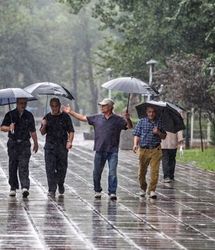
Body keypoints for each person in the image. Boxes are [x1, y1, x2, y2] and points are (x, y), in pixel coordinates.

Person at [63, 98, 133, 200]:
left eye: (104, 105)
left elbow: (129, 126)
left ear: (110, 107)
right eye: (101, 105)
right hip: (99, 150)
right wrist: (71, 112)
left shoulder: (118, 120)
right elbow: (82, 117)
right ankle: (97, 190)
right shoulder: (97, 118)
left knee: (112, 172)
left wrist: (128, 118)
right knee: (96, 172)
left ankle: (112, 192)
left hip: (112, 151)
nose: (101, 107)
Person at [1, 98, 38, 198]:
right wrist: (9, 128)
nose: (23, 105)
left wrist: (36, 142)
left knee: (24, 164)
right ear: (17, 103)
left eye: (25, 103)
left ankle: (25, 187)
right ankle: (13, 187)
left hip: (25, 143)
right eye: (21, 103)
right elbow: (2, 127)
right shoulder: (10, 114)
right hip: (13, 143)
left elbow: (33, 130)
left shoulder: (29, 115)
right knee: (13, 165)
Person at [40, 97, 74, 197]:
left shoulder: (65, 117)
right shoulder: (47, 117)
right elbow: (42, 133)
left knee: (62, 168)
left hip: (62, 147)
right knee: (50, 168)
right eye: (52, 106)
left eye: (56, 106)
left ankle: (60, 183)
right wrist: (43, 125)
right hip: (50, 147)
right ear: (50, 106)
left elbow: (71, 131)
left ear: (59, 106)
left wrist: (70, 142)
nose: (54, 108)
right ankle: (52, 189)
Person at [133, 105, 166, 199]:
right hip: (143, 150)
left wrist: (158, 132)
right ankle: (143, 188)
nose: (151, 114)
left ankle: (152, 190)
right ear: (147, 113)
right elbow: (137, 134)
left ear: (155, 113)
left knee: (154, 172)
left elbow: (164, 136)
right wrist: (135, 144)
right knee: (141, 172)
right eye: (149, 112)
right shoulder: (141, 122)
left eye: (153, 112)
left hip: (156, 149)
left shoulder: (159, 122)